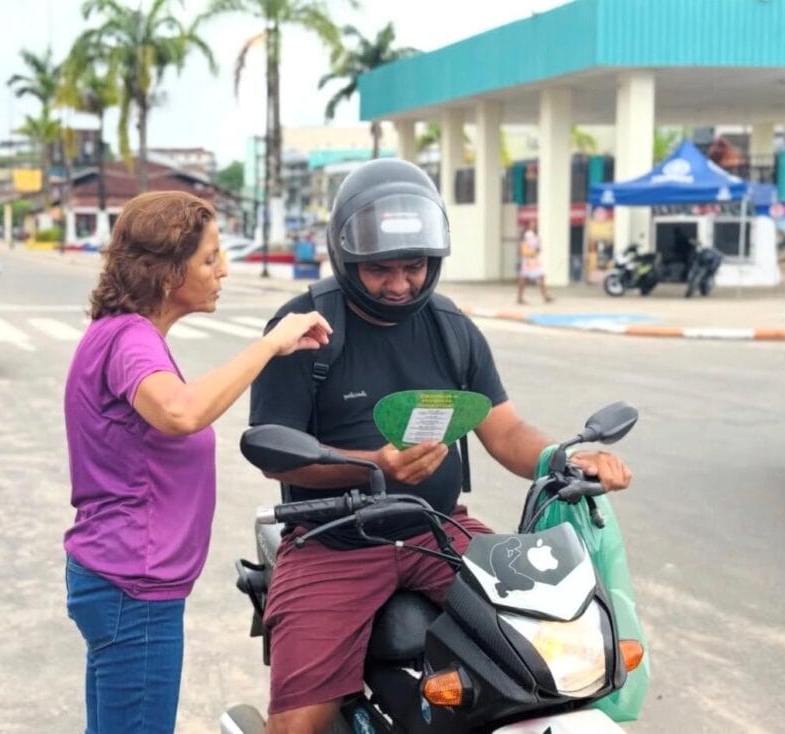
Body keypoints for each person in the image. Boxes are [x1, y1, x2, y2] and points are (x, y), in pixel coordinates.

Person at [249, 159, 632, 734]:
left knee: (544, 646)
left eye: (414, 266)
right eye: (382, 269)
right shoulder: (306, 328)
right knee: (298, 724)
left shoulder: (452, 328)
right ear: (347, 259)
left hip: (438, 528)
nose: (401, 283)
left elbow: (504, 431)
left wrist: (561, 459)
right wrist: (375, 465)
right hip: (335, 540)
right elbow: (273, 451)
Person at [63, 190, 331, 734]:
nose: (223, 270)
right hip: (133, 584)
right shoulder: (131, 340)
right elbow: (181, 413)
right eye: (209, 259)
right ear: (165, 273)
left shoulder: (125, 335)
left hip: (122, 580)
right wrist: (271, 344)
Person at [517, 225, 554, 304]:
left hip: (535, 261)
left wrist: (537, 250)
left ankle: (545, 296)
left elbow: (538, 249)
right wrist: (534, 252)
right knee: (524, 279)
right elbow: (524, 251)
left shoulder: (536, 238)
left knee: (541, 276)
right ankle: (520, 297)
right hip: (527, 262)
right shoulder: (525, 240)